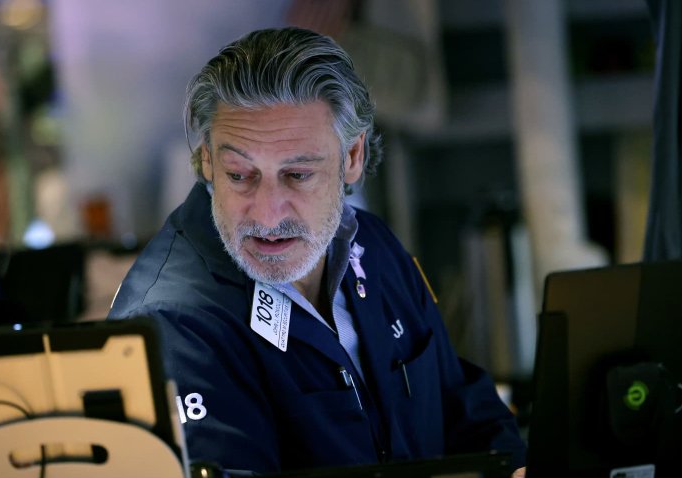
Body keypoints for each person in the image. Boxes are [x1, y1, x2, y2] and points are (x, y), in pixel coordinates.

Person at [108, 27, 527, 475]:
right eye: (239, 175)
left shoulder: (372, 244)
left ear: (352, 157)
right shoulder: (174, 324)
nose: (267, 216)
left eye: (297, 175)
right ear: (207, 160)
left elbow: (464, 407)